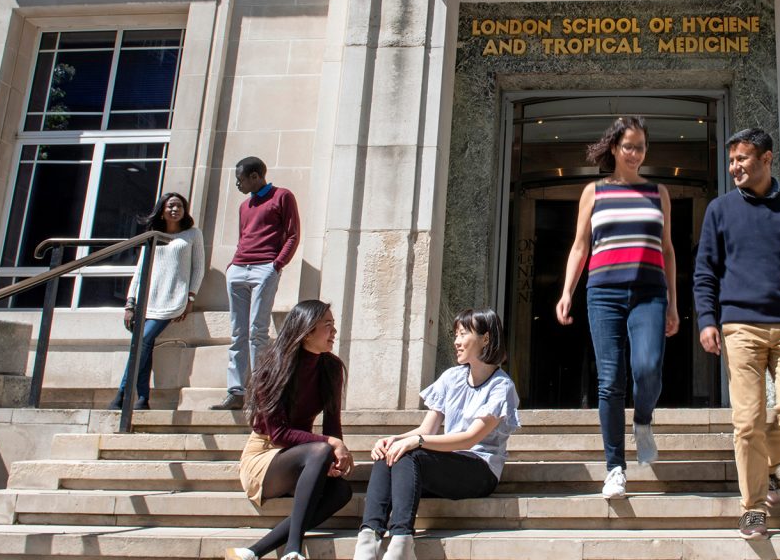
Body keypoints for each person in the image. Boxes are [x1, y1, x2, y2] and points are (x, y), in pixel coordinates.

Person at [694, 128, 780, 540]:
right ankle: (753, 508)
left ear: (767, 159)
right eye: (732, 160)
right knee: (747, 421)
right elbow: (706, 271)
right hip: (740, 326)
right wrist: (707, 319)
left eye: (743, 158)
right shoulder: (721, 210)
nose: (735, 167)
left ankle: (766, 464)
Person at [555, 116, 678, 499]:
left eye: (641, 146)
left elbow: (668, 249)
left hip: (650, 292)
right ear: (614, 148)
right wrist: (566, 291)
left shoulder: (659, 192)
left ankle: (642, 420)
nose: (636, 153)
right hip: (603, 292)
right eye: (629, 146)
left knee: (648, 368)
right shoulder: (594, 192)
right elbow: (580, 246)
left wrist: (673, 302)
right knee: (610, 381)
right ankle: (615, 468)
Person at [353, 309, 520, 560]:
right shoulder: (451, 377)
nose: (456, 341)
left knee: (410, 454)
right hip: (445, 464)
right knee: (391, 451)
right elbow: (425, 430)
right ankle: (368, 539)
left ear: (485, 339)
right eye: (455, 334)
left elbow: (470, 438)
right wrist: (393, 440)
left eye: (463, 334)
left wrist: (415, 442)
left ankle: (401, 541)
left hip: (479, 469)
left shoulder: (501, 386)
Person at [226, 300, 353, 560]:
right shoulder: (272, 368)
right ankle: (293, 548)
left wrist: (334, 457)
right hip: (264, 456)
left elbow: (332, 423)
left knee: (342, 491)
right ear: (306, 331)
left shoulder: (331, 367)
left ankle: (253, 552)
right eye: (327, 326)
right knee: (320, 449)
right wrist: (330, 445)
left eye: (334, 325)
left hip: (303, 455)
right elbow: (279, 434)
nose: (334, 332)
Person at [213, 156, 301, 411]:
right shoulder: (244, 206)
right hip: (239, 268)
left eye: (240, 179)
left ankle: (261, 391)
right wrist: (232, 265)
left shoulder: (282, 196)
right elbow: (243, 237)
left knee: (257, 331)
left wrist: (277, 264)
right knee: (238, 332)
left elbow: (293, 234)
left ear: (255, 176)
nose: (238, 185)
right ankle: (236, 391)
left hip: (265, 267)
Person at [111, 191, 204, 410]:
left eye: (179, 206)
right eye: (171, 206)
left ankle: (123, 392)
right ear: (162, 209)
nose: (175, 209)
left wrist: (191, 297)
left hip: (173, 299)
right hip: (147, 300)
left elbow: (198, 268)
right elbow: (140, 270)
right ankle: (143, 398)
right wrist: (130, 302)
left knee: (141, 342)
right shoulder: (153, 235)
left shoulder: (192, 234)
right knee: (145, 345)